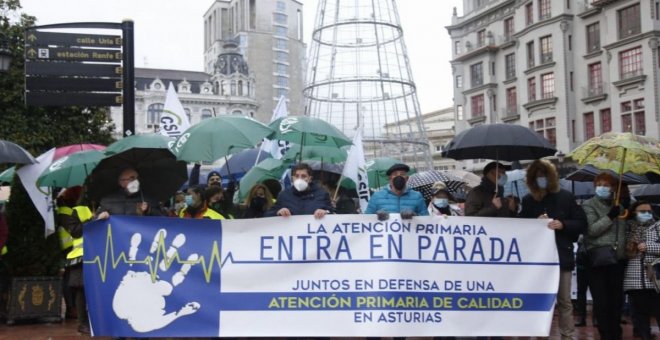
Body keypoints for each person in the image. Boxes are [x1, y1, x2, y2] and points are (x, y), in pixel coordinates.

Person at [518, 160, 587, 340]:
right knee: (540, 300)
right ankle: (540, 334)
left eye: (544, 176)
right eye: (538, 177)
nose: (541, 180)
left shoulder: (565, 197)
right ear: (532, 179)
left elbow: (581, 223)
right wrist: (535, 222)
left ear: (551, 177)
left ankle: (567, 336)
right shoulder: (528, 200)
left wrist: (563, 224)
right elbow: (520, 228)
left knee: (564, 301)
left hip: (561, 256)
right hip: (537, 260)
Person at [582, 172, 628, 340]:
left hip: (617, 260)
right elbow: (592, 230)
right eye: (600, 184)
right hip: (598, 260)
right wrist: (610, 216)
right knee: (602, 302)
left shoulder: (620, 207)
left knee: (616, 302)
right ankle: (606, 335)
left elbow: (622, 233)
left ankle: (616, 334)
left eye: (607, 185)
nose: (603, 188)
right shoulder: (589, 205)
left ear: (614, 188)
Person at [623, 200, 660, 340]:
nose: (646, 214)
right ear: (634, 213)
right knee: (640, 317)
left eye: (649, 211)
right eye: (642, 211)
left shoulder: (658, 226)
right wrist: (629, 248)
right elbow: (622, 252)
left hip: (655, 279)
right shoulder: (627, 228)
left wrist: (648, 247)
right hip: (634, 281)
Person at [265, 163, 333, 218]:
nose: (299, 179)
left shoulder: (321, 195)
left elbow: (333, 212)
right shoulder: (284, 195)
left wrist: (325, 212)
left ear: (310, 179)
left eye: (303, 176)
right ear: (292, 178)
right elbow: (268, 215)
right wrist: (278, 212)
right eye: (297, 176)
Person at [96, 168, 163, 218]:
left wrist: (149, 210)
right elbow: (94, 221)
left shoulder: (148, 199)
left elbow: (163, 218)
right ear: (121, 182)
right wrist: (100, 217)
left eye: (137, 178)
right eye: (132, 178)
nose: (136, 181)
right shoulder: (108, 200)